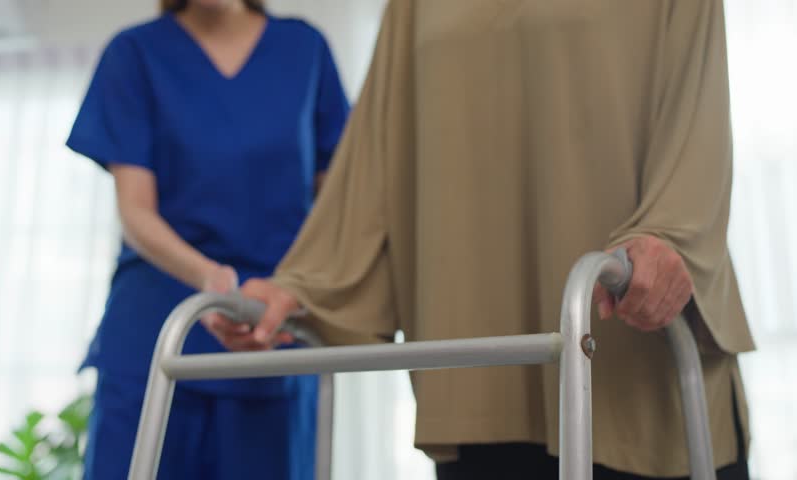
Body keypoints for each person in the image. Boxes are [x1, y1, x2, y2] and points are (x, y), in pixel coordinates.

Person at [204, 1, 755, 479]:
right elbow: (373, 164)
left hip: (630, 369)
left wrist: (668, 236)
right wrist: (304, 285)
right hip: (479, 374)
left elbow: (697, 116)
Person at [65, 0, 349, 477]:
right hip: (158, 328)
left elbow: (338, 204)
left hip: (270, 330)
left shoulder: (305, 50)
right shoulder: (134, 53)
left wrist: (296, 289)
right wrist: (216, 283)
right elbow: (135, 209)